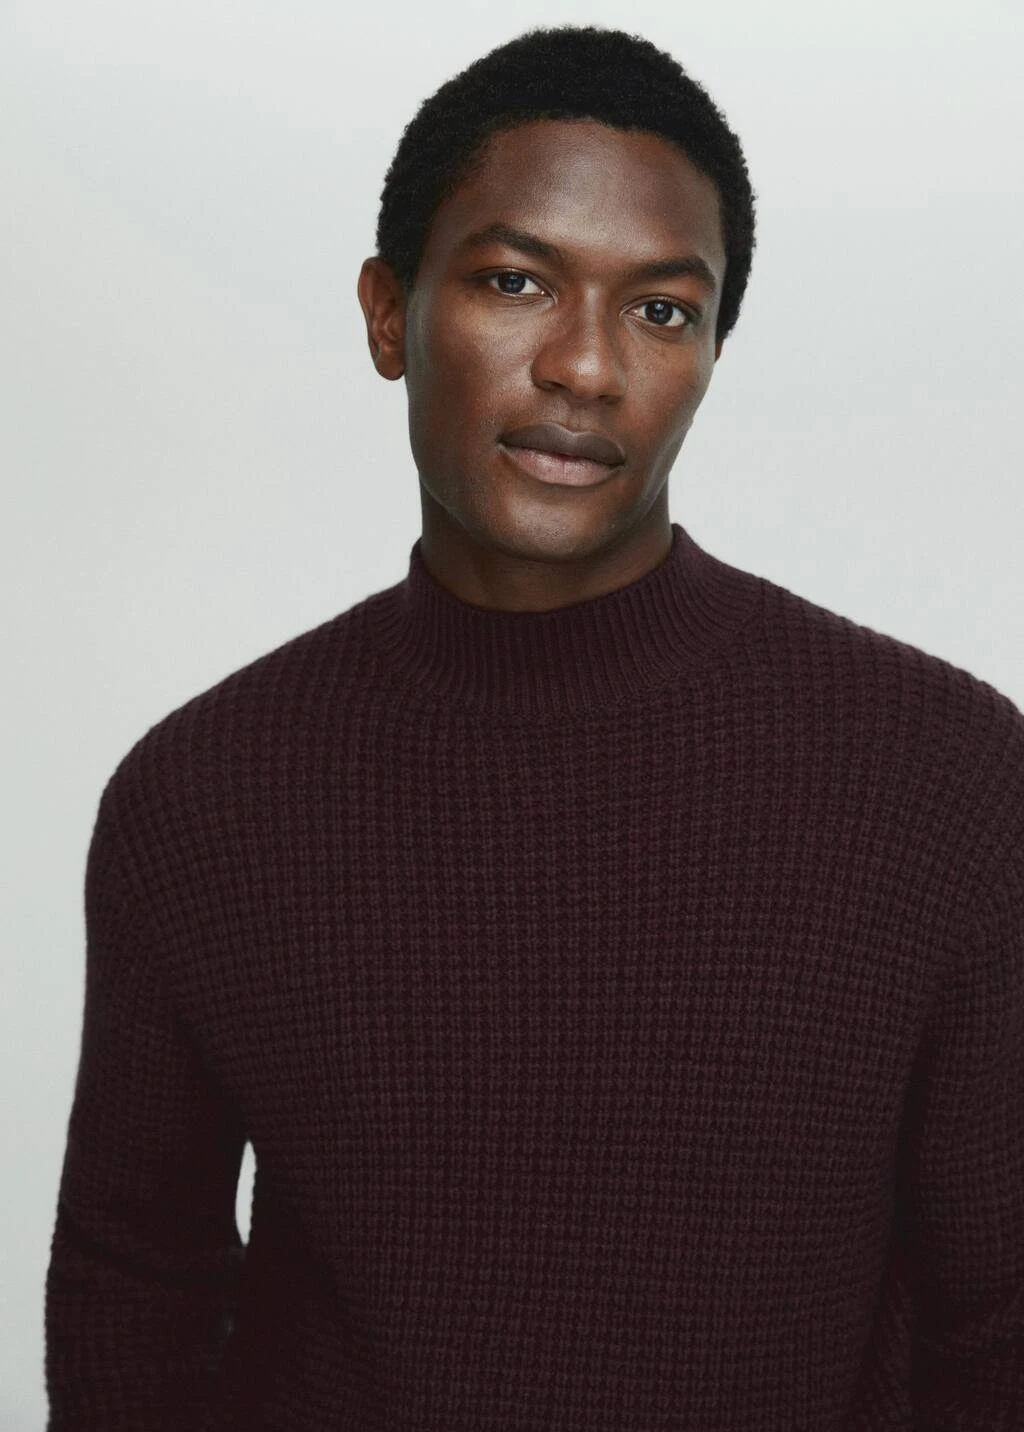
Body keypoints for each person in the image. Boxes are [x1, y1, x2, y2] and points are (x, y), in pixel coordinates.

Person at [45, 23, 1024, 1430]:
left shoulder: (946, 779)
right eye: (516, 282)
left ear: (712, 356)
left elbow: (1000, 1334)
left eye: (663, 311)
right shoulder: (203, 796)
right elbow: (136, 1300)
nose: (585, 367)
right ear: (388, 313)